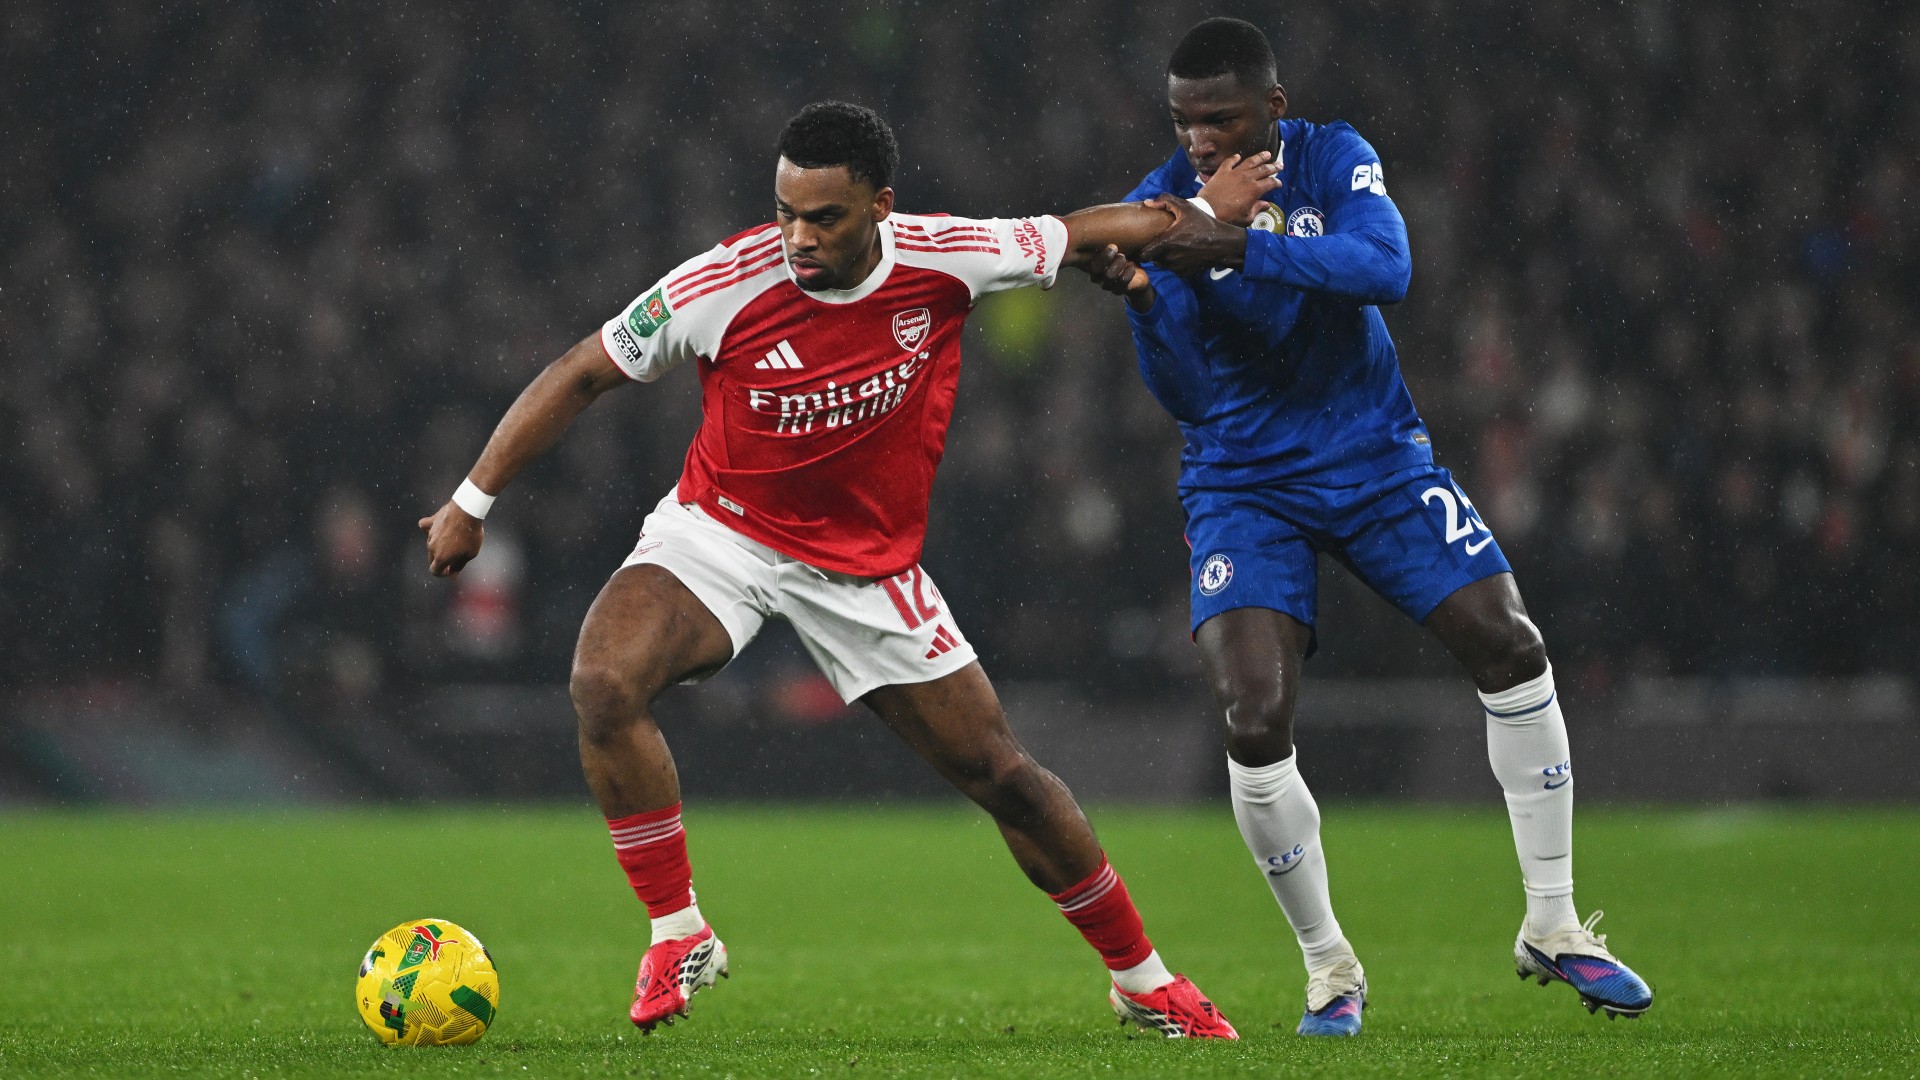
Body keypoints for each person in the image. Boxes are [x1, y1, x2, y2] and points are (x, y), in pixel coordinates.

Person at [417, 101, 1237, 1039]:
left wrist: (1206, 213)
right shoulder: (721, 283)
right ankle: (678, 931)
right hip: (720, 535)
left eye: (824, 218)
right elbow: (580, 372)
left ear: (881, 206)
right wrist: (470, 502)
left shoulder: (950, 255)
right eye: (785, 213)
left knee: (1004, 776)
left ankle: (1144, 979)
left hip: (866, 570)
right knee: (603, 679)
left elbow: (1102, 227)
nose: (798, 238)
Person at [1081, 17, 1653, 1035]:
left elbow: (1385, 267)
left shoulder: (1335, 157)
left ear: (1273, 110)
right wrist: (1141, 291)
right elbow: (1183, 390)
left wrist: (1230, 239)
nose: (1201, 139)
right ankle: (1327, 965)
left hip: (1375, 457)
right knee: (1253, 718)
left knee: (1509, 644)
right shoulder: (1153, 210)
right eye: (1184, 120)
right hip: (1242, 481)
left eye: (1219, 118)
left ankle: (1556, 925)